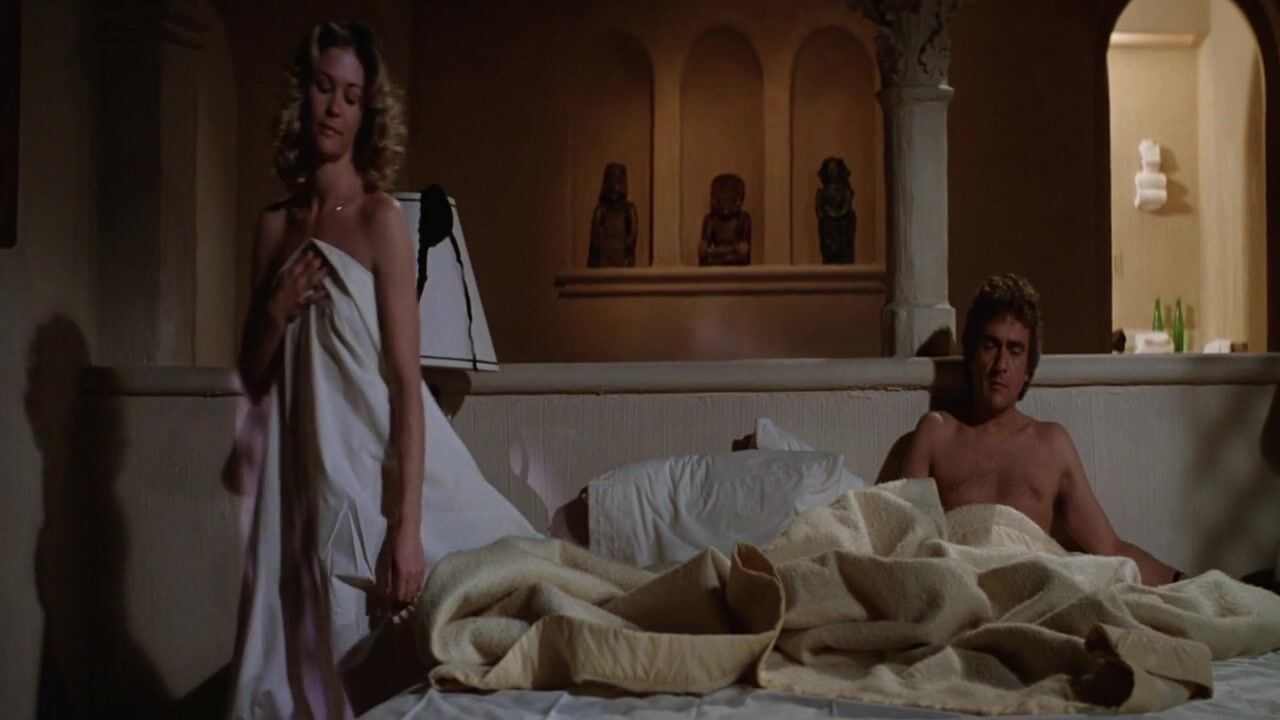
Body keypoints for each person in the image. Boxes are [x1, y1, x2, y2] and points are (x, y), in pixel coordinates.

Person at [227, 21, 535, 718]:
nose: (335, 107)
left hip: (379, 479)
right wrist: (274, 311)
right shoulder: (274, 228)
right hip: (305, 484)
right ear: (302, 96)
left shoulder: (379, 220)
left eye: (352, 96)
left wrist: (407, 527)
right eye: (323, 87)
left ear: (367, 113)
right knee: (302, 675)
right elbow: (251, 378)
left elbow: (404, 384)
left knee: (510, 608)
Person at [901, 274, 1181, 586]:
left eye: (1015, 350)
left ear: (1027, 370)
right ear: (971, 356)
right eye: (990, 346)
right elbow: (905, 541)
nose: (1001, 364)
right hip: (960, 586)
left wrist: (1182, 581)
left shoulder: (1051, 444)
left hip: (1034, 589)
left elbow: (1110, 548)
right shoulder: (937, 433)